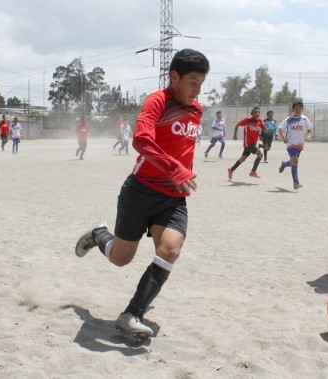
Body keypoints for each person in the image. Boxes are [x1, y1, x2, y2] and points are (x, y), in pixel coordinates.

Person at [74, 48, 210, 339]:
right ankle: (99, 234)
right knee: (121, 258)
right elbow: (141, 140)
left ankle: (131, 314)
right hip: (140, 192)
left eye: (201, 83)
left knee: (170, 250)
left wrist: (180, 172)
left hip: (173, 198)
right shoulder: (157, 101)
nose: (198, 90)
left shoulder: (196, 110)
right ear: (175, 77)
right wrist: (174, 167)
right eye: (193, 82)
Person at [278, 102, 313, 190]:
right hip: (291, 143)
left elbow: (309, 129)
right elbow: (280, 128)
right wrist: (283, 137)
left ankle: (285, 164)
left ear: (302, 109)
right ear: (293, 110)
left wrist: (309, 135)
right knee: (295, 162)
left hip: (300, 144)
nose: (298, 110)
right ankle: (296, 183)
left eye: (300, 108)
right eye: (296, 108)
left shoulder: (305, 119)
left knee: (293, 162)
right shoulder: (288, 119)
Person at [227, 106, 267, 180]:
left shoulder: (260, 121)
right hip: (248, 143)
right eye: (256, 112)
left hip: (253, 144)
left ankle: (231, 169)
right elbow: (237, 125)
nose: (257, 113)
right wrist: (235, 135)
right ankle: (253, 171)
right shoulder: (247, 120)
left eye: (259, 112)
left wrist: (264, 129)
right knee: (260, 155)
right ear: (252, 113)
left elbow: (265, 130)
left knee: (242, 159)